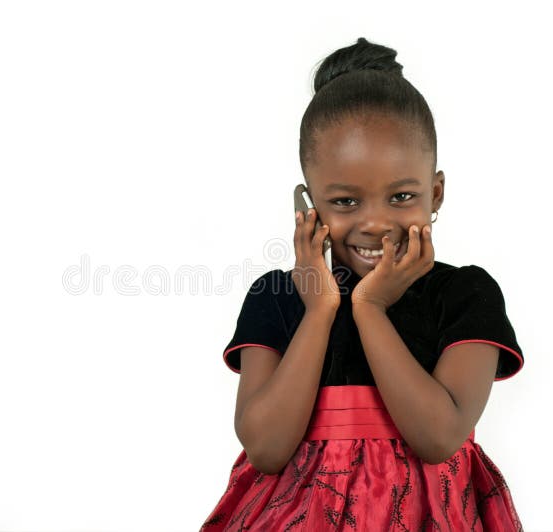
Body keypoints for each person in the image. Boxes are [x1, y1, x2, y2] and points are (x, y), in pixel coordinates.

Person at [200, 37, 525, 531]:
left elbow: (438, 438)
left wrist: (369, 309)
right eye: (346, 202)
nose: (376, 223)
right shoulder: (281, 296)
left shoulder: (465, 295)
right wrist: (320, 311)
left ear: (435, 192)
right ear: (309, 204)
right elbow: (265, 449)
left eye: (401, 195)